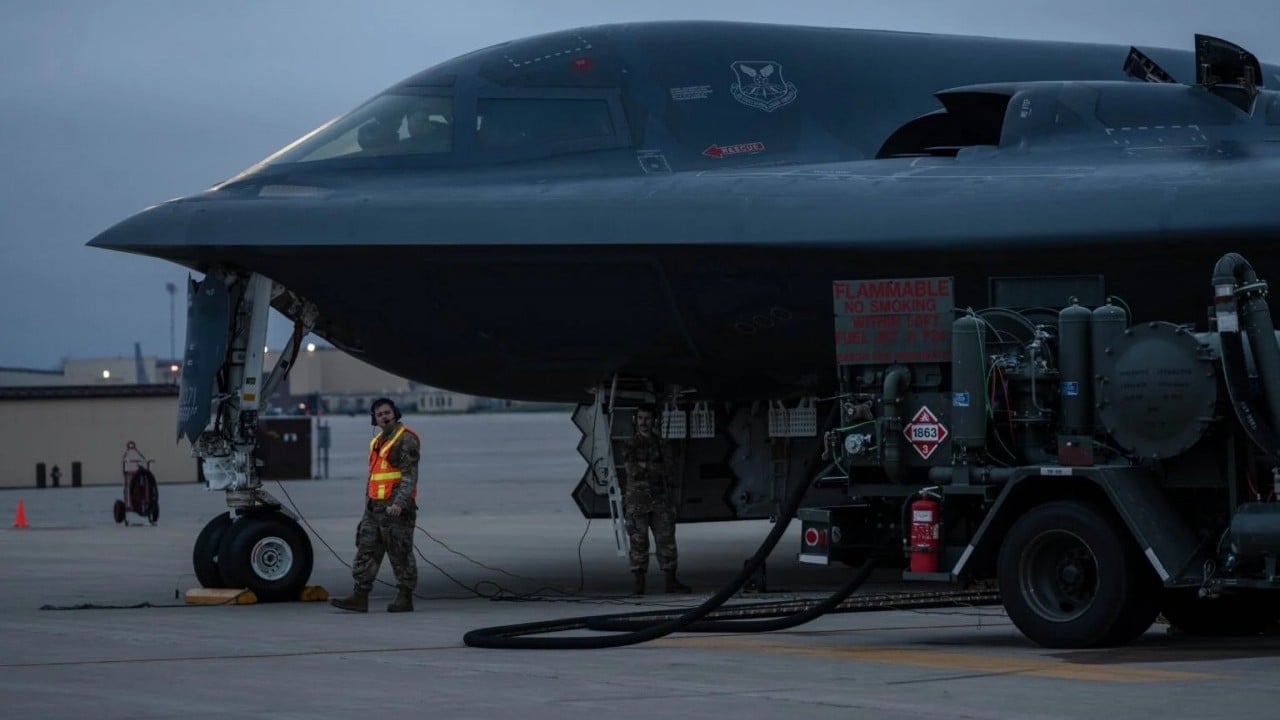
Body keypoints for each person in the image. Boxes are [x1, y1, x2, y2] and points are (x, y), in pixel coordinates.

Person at [331, 398, 421, 613]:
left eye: (387, 412)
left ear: (395, 413)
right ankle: (360, 596)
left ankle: (404, 597)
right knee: (366, 550)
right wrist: (367, 509)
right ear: (375, 419)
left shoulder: (407, 439)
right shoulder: (377, 442)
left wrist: (399, 503)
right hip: (374, 508)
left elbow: (410, 476)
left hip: (395, 509)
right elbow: (374, 477)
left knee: (400, 553)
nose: (384, 417)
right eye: (379, 414)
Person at [620, 404, 691, 595]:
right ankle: (639, 584)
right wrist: (654, 467)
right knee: (638, 541)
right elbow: (632, 470)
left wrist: (647, 467)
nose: (644, 423)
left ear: (654, 421)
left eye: (648, 419)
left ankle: (670, 581)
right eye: (641, 418)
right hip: (637, 501)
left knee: (666, 540)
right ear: (636, 421)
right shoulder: (629, 445)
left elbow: (669, 469)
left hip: (660, 500)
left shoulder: (662, 444)